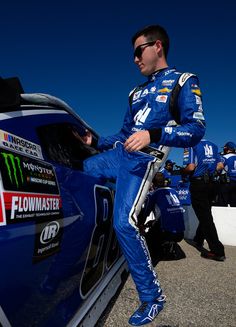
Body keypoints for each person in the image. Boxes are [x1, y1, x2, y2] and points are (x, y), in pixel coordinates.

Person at [81, 24, 205, 326]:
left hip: (143, 161)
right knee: (83, 171)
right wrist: (95, 142)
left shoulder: (184, 80)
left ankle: (152, 298)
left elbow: (196, 129)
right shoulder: (135, 92)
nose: (135, 59)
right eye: (133, 54)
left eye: (139, 51)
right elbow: (124, 133)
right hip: (119, 155)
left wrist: (153, 134)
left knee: (124, 222)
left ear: (157, 47)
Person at [182, 139, 225, 262]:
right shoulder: (214, 145)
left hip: (199, 184)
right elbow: (220, 166)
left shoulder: (190, 144)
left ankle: (217, 251)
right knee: (205, 214)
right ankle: (198, 239)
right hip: (212, 184)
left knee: (205, 217)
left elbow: (190, 167)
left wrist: (182, 171)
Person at [138, 172, 186, 266]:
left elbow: (145, 213)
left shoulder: (154, 194)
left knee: (147, 238)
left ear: (153, 183)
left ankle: (151, 260)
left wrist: (140, 224)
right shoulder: (174, 191)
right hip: (181, 233)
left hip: (167, 232)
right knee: (156, 222)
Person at [218, 141, 236, 206]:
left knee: (222, 204)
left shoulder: (224, 157)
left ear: (227, 149)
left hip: (227, 183)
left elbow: (219, 168)